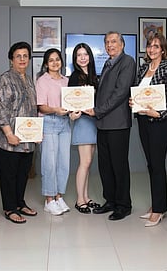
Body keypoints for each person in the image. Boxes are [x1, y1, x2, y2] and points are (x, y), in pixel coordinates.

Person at [131, 33, 167, 227]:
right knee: (151, 164)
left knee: (158, 164)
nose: (152, 49)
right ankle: (157, 205)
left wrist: (159, 114)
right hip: (144, 121)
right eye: (150, 46)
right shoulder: (143, 68)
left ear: (163, 49)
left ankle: (158, 210)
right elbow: (138, 93)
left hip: (161, 121)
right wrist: (133, 101)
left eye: (156, 46)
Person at [86, 31, 136, 221]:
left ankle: (123, 205)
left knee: (119, 165)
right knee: (105, 165)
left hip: (118, 123)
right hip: (103, 124)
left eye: (113, 41)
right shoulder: (108, 63)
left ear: (122, 44)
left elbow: (120, 93)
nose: (109, 45)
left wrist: (98, 110)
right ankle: (111, 201)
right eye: (107, 42)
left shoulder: (127, 62)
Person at [0, 42, 38, 224]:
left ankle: (20, 203)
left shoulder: (28, 80)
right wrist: (8, 133)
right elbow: (0, 108)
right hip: (8, 138)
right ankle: (9, 208)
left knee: (22, 174)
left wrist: (36, 132)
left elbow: (33, 109)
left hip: (27, 139)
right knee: (9, 175)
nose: (22, 59)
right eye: (18, 56)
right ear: (11, 59)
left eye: (25, 56)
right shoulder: (4, 79)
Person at [36, 48, 71, 216]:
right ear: (46, 64)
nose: (55, 62)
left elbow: (70, 102)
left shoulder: (67, 80)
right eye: (51, 60)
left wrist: (74, 111)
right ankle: (49, 199)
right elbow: (41, 106)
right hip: (48, 122)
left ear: (62, 62)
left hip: (65, 124)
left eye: (57, 59)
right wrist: (56, 110)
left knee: (63, 162)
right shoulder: (42, 81)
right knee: (49, 163)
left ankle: (58, 196)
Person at [68, 43, 101, 214]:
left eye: (85, 54)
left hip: (95, 122)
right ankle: (79, 199)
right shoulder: (75, 77)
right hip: (83, 123)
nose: (82, 57)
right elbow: (71, 102)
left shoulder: (95, 76)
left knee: (89, 163)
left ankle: (86, 197)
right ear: (75, 59)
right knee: (85, 162)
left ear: (90, 56)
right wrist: (73, 114)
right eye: (79, 55)